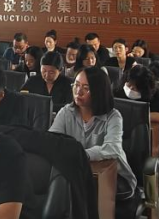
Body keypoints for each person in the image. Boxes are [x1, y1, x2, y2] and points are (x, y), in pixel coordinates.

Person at [50, 67, 136, 198]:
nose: (78, 92)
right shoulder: (66, 112)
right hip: (77, 173)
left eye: (86, 88)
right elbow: (52, 141)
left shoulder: (113, 117)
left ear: (99, 92)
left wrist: (80, 155)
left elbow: (113, 148)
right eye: (76, 85)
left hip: (115, 177)